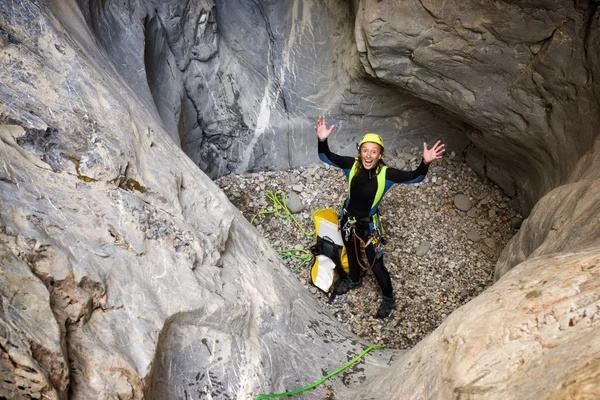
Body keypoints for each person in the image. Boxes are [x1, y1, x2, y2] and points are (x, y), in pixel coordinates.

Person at [315, 115, 445, 318]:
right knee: (351, 249)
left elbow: (416, 177)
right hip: (348, 219)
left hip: (369, 225)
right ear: (360, 152)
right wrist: (322, 140)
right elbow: (325, 157)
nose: (368, 155)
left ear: (379, 154)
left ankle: (388, 296)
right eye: (365, 150)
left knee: (376, 264)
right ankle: (355, 280)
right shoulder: (352, 165)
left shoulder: (387, 174)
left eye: (373, 151)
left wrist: (425, 163)